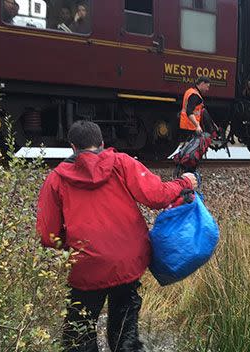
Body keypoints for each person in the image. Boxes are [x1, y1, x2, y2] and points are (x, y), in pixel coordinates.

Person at [36, 120, 198, 351]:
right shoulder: (121, 162)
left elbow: (47, 235)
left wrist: (71, 245)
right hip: (128, 261)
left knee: (78, 333)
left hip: (86, 266)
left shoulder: (57, 179)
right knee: (125, 331)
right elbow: (156, 196)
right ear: (101, 143)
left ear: (72, 147)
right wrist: (184, 182)